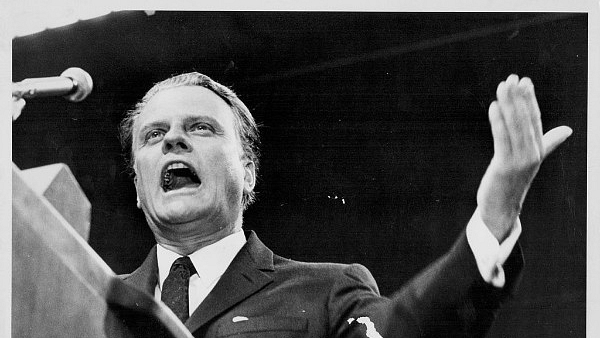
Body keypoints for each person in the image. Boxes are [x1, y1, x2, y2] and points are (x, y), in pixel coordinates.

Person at [118, 72, 572, 337]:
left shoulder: (327, 292)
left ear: (249, 172)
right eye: (154, 135)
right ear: (138, 186)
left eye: (200, 127)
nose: (173, 140)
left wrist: (494, 217)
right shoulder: (88, 294)